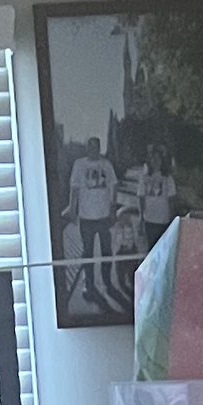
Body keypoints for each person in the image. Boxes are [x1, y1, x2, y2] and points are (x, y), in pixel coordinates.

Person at [63, 133, 120, 314]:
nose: (93, 150)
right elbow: (74, 188)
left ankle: (106, 281)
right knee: (87, 252)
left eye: (96, 146)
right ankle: (88, 283)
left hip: (103, 216)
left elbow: (114, 186)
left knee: (106, 250)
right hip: (86, 217)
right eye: (90, 147)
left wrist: (112, 209)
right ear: (88, 148)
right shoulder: (79, 165)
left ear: (99, 148)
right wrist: (72, 209)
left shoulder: (106, 165)